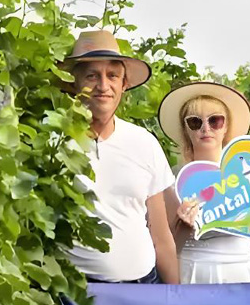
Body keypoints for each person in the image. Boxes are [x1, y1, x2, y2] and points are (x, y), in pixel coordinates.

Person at [62, 30, 179, 283]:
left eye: (112, 75)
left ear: (124, 84)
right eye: (92, 76)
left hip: (142, 289)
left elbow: (161, 237)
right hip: (75, 294)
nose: (103, 86)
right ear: (73, 83)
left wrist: (175, 298)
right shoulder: (55, 142)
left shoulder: (144, 143)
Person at [158, 82, 250, 284]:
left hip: (242, 276)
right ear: (186, 130)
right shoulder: (172, 182)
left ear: (226, 127)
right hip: (190, 276)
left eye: (215, 120)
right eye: (195, 122)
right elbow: (165, 251)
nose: (205, 128)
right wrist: (184, 228)